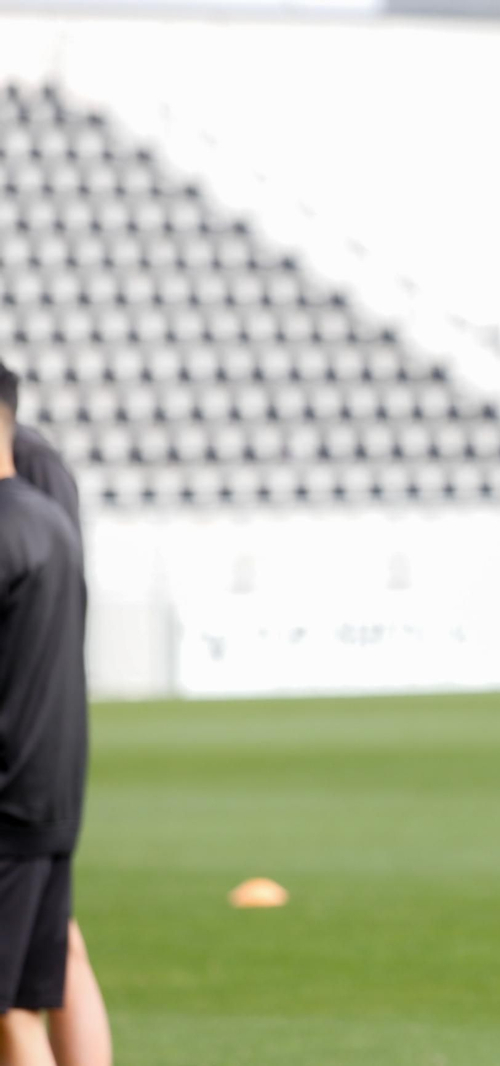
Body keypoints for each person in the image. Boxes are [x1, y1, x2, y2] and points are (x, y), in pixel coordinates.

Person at [10, 421, 112, 1066]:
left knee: (25, 986)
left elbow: (46, 621)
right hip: (37, 757)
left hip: (25, 759)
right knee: (47, 958)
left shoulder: (30, 466)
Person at [0, 365, 91, 1064]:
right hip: (50, 789)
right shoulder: (50, 519)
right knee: (29, 998)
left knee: (12, 1011)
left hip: (11, 797)